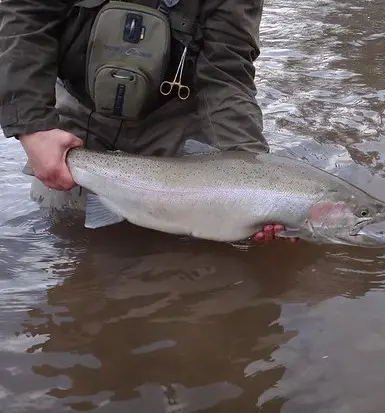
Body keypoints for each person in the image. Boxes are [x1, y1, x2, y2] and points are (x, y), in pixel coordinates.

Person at [0, 0, 291, 242]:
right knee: (60, 235)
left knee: (184, 262)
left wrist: (252, 176)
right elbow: (25, 17)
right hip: (77, 115)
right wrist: (33, 127)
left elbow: (226, 75)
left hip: (176, 123)